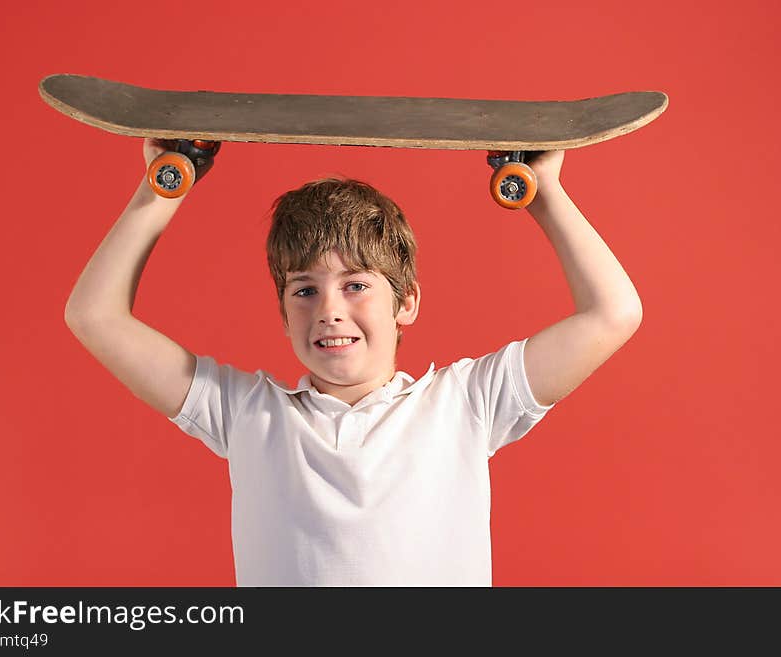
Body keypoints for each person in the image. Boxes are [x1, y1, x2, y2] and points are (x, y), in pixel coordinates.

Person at [64, 138, 643, 586]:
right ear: (283, 309)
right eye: (305, 290)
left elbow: (613, 312)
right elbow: (95, 316)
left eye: (356, 285)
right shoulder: (246, 414)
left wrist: (545, 194)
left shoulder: (466, 403)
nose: (329, 311)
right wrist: (163, 187)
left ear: (406, 301)